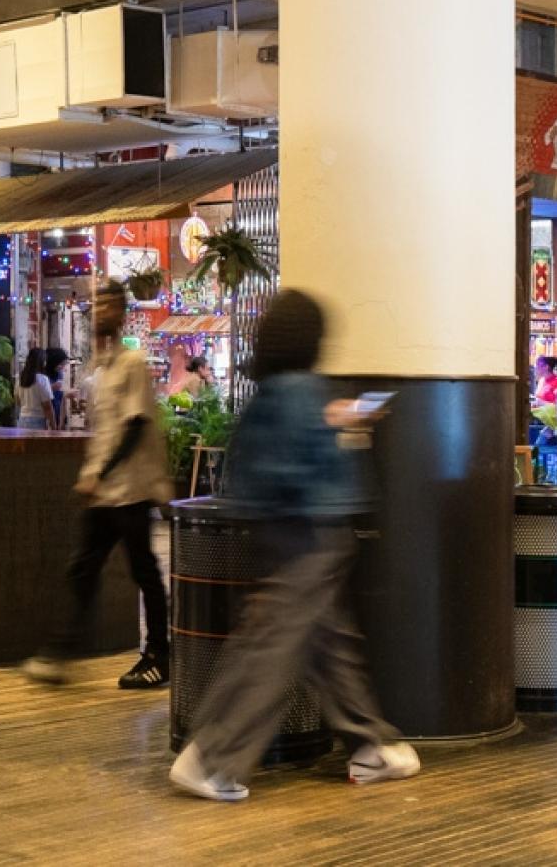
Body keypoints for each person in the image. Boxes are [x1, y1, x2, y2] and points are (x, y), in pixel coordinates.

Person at [169, 290, 417, 802]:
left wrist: (334, 420)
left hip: (282, 530)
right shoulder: (301, 391)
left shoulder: (271, 390)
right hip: (313, 532)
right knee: (274, 647)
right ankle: (210, 759)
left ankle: (371, 746)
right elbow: (310, 465)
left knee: (327, 641)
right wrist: (344, 423)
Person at [23, 282, 172, 689]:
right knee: (84, 569)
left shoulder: (132, 363)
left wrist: (99, 473)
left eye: (108, 304)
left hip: (130, 490)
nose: (99, 311)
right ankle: (60, 650)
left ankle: (159, 653)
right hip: (106, 492)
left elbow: (136, 425)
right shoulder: (101, 367)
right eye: (96, 304)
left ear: (121, 313)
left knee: (142, 570)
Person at [12, 350, 53, 431]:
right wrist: (53, 424)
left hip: (22, 419)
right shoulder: (42, 379)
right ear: (41, 361)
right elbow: (47, 406)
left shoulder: (20, 378)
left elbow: (17, 400)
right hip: (38, 420)